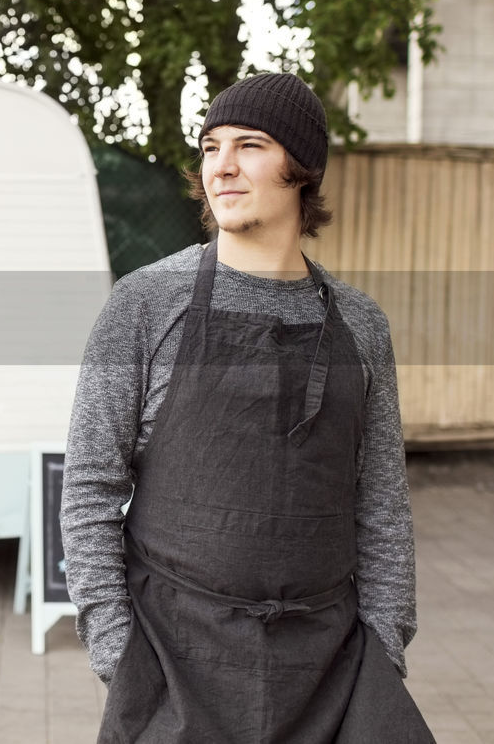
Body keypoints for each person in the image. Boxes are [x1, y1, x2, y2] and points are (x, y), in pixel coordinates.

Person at [61, 72, 435, 742]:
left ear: (302, 167)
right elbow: (89, 489)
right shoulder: (145, 306)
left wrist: (384, 645)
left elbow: (381, 501)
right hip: (175, 669)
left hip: (332, 673)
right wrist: (121, 657)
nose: (221, 166)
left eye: (250, 145)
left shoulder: (361, 325)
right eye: (210, 147)